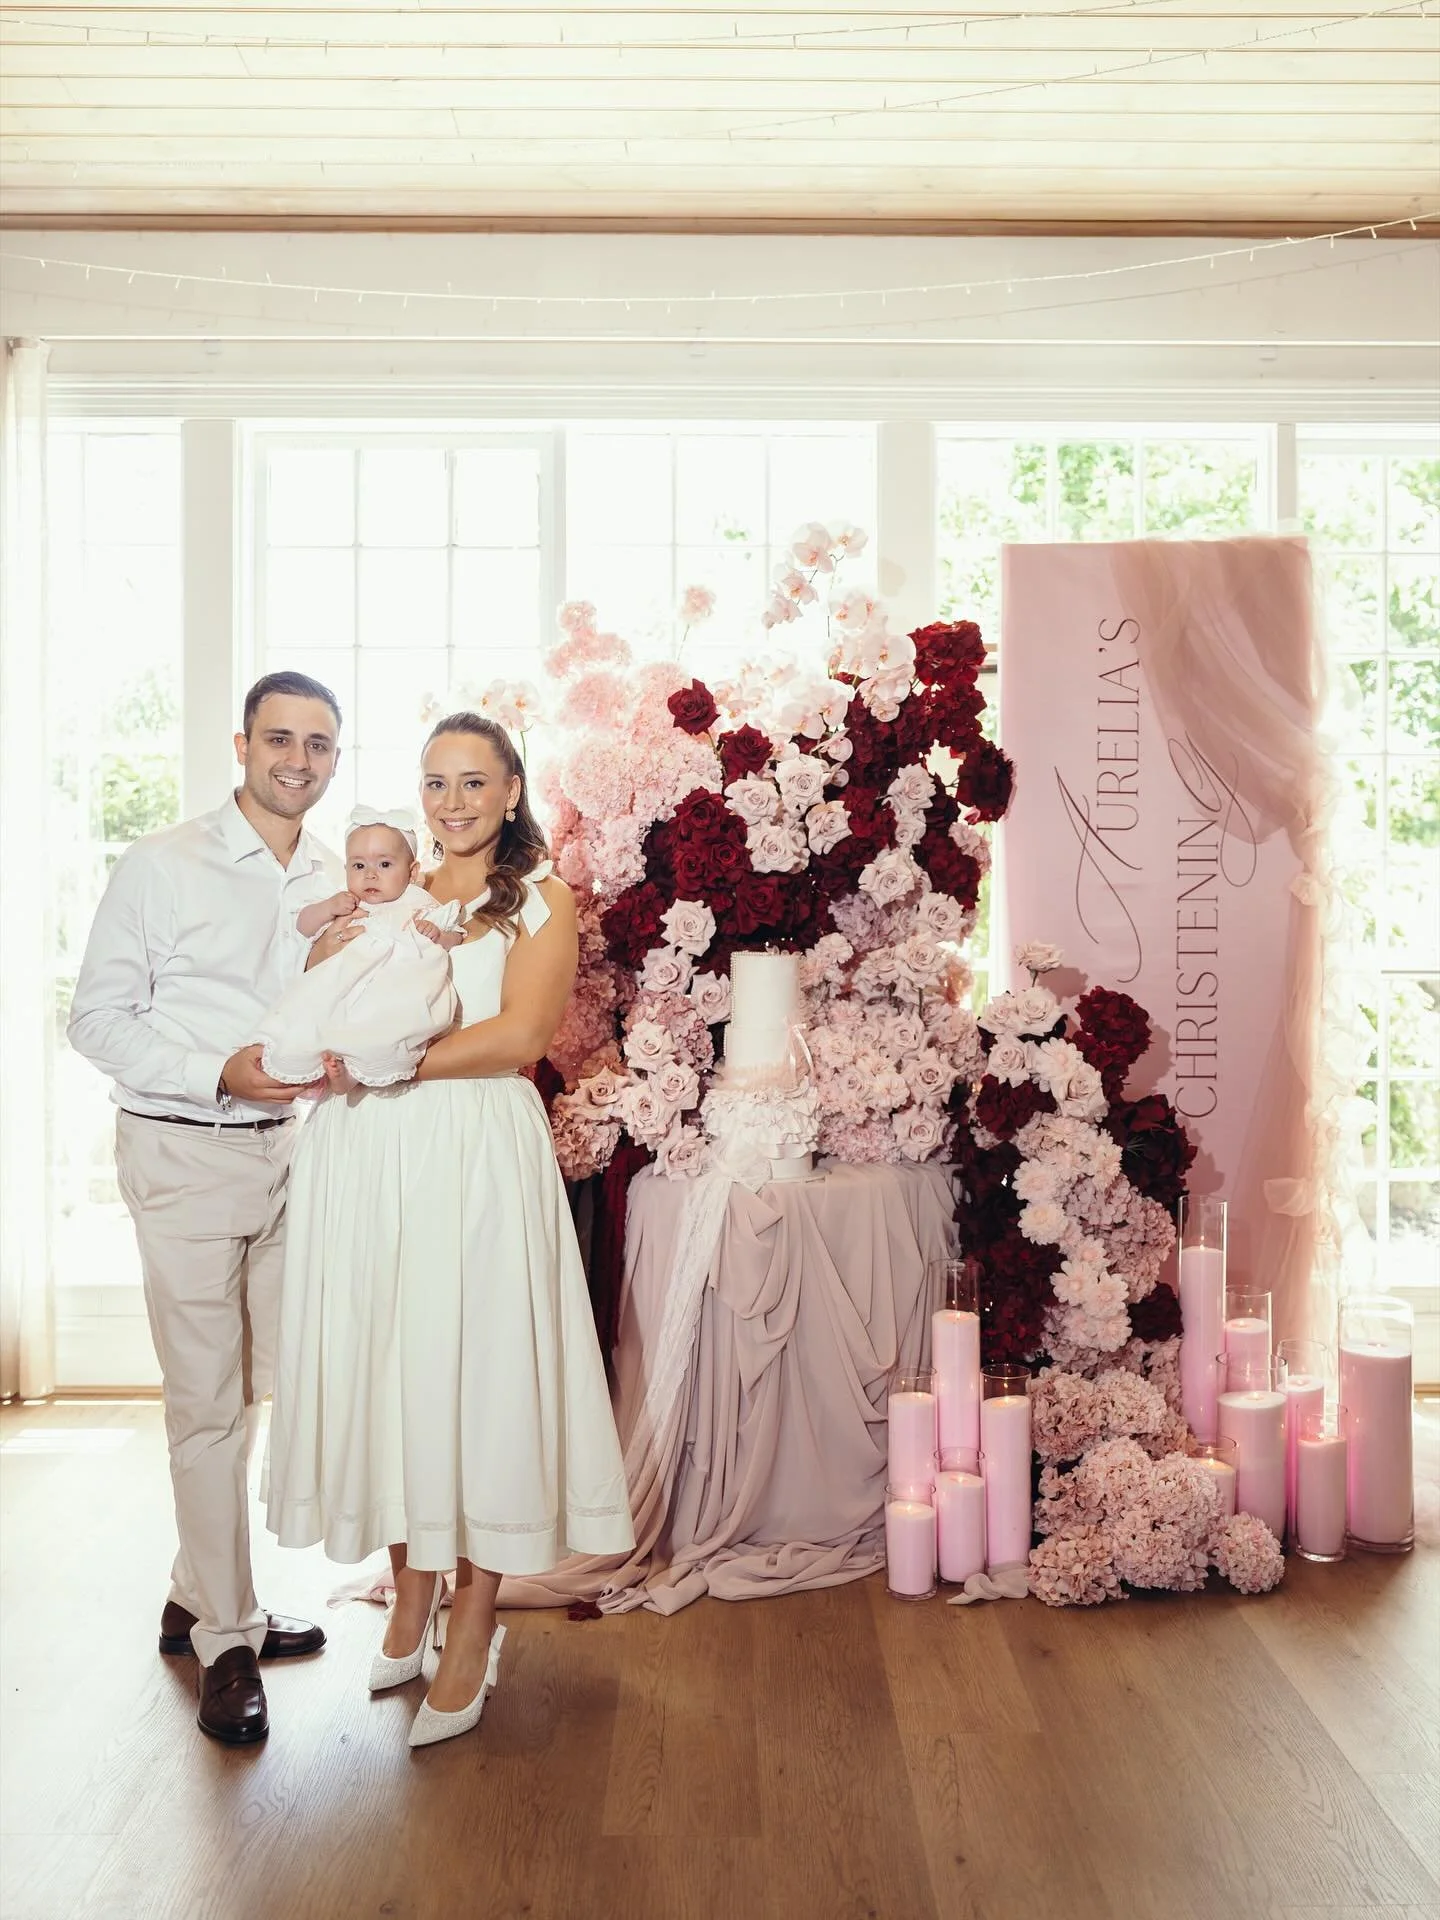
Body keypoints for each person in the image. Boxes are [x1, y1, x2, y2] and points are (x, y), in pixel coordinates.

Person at [266, 711, 634, 1749]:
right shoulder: (394, 889)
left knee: (470, 1376)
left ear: (513, 790)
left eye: (474, 783)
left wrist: (381, 1061)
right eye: (435, 783)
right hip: (369, 1152)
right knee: (390, 1366)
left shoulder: (542, 902)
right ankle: (411, 1592)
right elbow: (328, 988)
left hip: (471, 1151)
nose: (452, 803)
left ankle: (475, 1615)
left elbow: (520, 1034)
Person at [68, 671, 345, 1747]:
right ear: (241, 745)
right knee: (206, 1406)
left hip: (291, 1159)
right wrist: (214, 1071)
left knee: (262, 1388)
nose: (299, 760)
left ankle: (196, 1592)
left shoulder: (335, 872)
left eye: (319, 744)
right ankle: (228, 1639)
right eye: (281, 739)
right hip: (183, 1150)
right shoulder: (162, 864)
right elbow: (97, 1021)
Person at [255, 805, 462, 1089]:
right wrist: (327, 908)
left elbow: (455, 934)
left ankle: (354, 1075)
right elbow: (303, 925)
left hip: (394, 987)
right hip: (347, 986)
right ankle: (322, 1067)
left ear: (412, 872)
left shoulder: (416, 901)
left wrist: (438, 933)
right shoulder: (345, 900)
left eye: (385, 865)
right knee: (316, 1019)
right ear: (346, 869)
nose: (370, 875)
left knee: (387, 1029)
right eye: (359, 865)